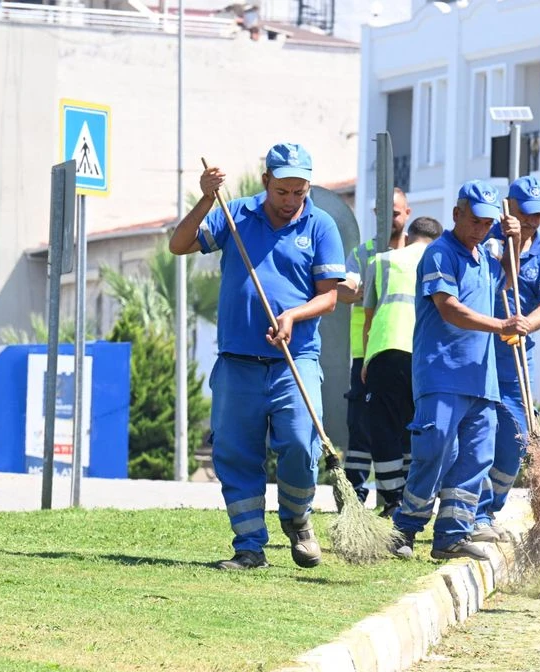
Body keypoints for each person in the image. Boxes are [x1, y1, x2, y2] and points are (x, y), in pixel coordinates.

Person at [169, 142, 345, 570]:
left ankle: (298, 521)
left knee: (303, 446)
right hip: (236, 362)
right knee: (235, 453)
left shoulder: (320, 226)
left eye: (298, 192)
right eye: (282, 191)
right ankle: (249, 546)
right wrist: (207, 198)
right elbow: (179, 244)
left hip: (294, 360)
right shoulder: (236, 213)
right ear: (266, 181)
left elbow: (330, 298)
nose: (290, 202)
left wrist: (292, 316)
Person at [391, 180, 529, 561]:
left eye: (488, 224)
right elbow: (449, 308)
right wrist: (501, 326)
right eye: (475, 221)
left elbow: (510, 275)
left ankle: (452, 535)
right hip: (442, 373)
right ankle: (404, 527)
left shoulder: (485, 257)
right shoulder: (439, 254)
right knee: (434, 451)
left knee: (475, 458)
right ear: (457, 215)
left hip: (481, 380)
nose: (481, 229)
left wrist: (513, 242)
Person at [473, 176, 540, 542]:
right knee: (477, 434)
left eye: (539, 215)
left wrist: (526, 324)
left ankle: (488, 510)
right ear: (508, 207)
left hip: (515, 357)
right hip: (478, 352)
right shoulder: (484, 238)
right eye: (526, 213)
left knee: (517, 437)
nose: (532, 221)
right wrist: (507, 241)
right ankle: (465, 514)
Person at [359, 216, 443, 518]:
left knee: (384, 427)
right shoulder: (441, 260)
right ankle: (414, 497)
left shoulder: (382, 261)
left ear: (408, 236)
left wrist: (367, 358)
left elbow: (369, 317)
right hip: (427, 356)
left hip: (387, 349)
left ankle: (392, 499)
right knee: (417, 429)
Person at [338, 188, 412, 506]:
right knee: (362, 427)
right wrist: (360, 289)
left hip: (409, 352)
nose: (390, 219)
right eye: (384, 213)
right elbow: (344, 289)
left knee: (407, 428)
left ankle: (400, 500)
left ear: (407, 213)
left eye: (395, 212)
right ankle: (353, 498)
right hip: (365, 354)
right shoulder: (364, 253)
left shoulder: (418, 254)